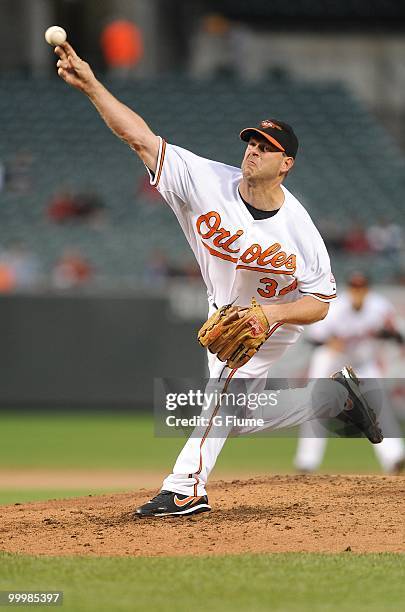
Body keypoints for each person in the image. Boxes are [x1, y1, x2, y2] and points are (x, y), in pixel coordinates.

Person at [54, 42, 383, 518]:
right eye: (252, 142)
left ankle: (186, 486)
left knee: (220, 396)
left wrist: (270, 314)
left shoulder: (300, 229)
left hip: (273, 318)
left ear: (285, 164)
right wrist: (90, 85)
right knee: (232, 416)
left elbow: (321, 302)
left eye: (267, 147)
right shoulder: (205, 180)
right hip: (225, 308)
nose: (254, 150)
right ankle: (333, 399)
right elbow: (141, 139)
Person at [294, 272, 405, 474]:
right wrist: (329, 341)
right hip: (331, 360)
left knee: (378, 406)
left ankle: (394, 458)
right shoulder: (336, 308)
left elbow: (396, 335)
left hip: (362, 361)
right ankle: (307, 462)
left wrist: (383, 333)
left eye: (361, 288)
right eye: (354, 288)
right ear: (350, 289)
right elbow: (313, 339)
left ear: (367, 290)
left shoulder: (379, 307)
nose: (358, 292)